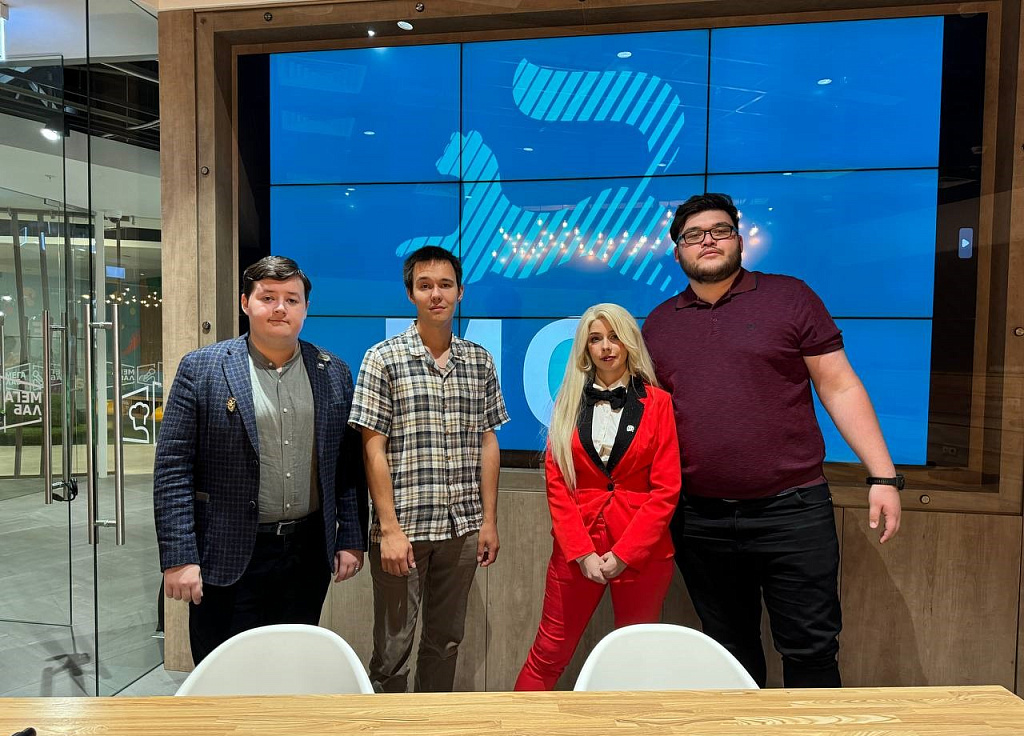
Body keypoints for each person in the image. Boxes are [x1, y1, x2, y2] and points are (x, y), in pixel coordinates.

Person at [642, 192, 903, 689]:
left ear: (739, 240)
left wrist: (883, 477)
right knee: (729, 654)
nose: (707, 241)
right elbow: (650, 420)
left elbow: (839, 386)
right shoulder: (659, 324)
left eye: (719, 230)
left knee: (811, 648)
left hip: (793, 510)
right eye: (693, 235)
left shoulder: (790, 297)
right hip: (699, 518)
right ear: (677, 252)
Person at [154, 255, 367, 664]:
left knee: (290, 667)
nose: (280, 308)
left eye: (292, 299)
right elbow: (172, 470)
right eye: (268, 297)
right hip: (227, 553)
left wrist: (351, 539)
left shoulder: (333, 372)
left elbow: (346, 466)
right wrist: (180, 556)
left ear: (305, 308)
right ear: (245, 303)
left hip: (306, 554)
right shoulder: (202, 369)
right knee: (224, 673)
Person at [349, 245, 509, 693]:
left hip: (463, 528)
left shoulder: (479, 360)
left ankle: (432, 725)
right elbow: (373, 449)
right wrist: (388, 529)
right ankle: (389, 730)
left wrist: (489, 521)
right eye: (425, 286)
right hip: (404, 530)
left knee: (446, 642)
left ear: (460, 292)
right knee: (392, 649)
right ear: (410, 293)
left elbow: (487, 442)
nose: (436, 294)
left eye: (445, 285)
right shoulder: (382, 358)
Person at [515, 303, 681, 691]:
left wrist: (625, 554)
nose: (606, 347)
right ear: (585, 348)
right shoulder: (566, 402)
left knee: (634, 661)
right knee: (547, 655)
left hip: (641, 553)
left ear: (629, 343)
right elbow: (558, 484)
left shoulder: (659, 403)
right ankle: (515, 727)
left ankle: (627, 732)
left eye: (614, 337)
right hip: (577, 550)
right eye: (596, 339)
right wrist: (581, 552)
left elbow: (666, 489)